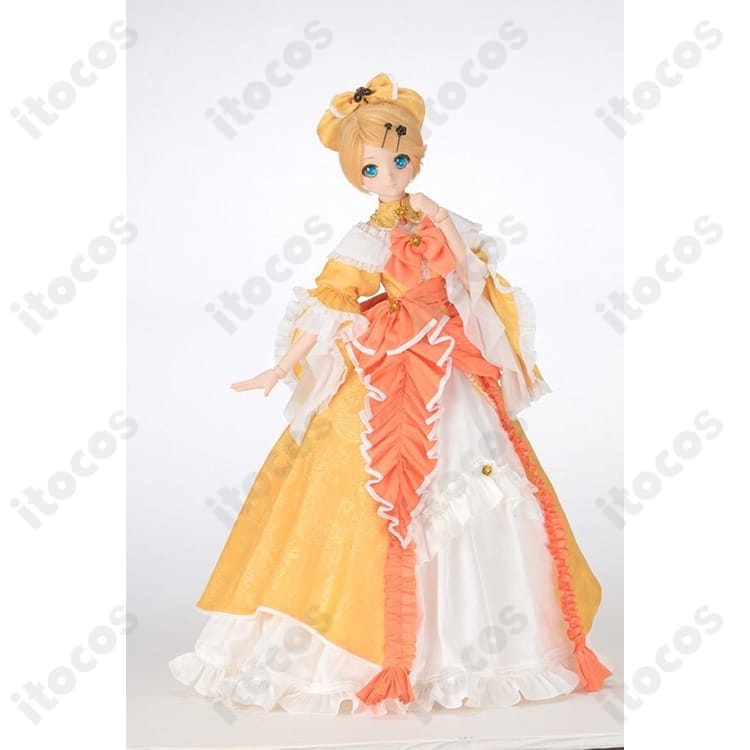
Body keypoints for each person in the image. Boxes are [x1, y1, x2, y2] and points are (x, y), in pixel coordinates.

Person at [169, 73, 611, 715]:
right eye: (373, 168)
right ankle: (365, 647)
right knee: (377, 484)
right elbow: (332, 304)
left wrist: (438, 217)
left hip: (446, 351)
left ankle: (483, 642)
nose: (388, 175)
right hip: (390, 355)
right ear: (358, 175)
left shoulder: (436, 218)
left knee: (480, 472)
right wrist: (280, 366)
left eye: (399, 160)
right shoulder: (365, 239)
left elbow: (469, 271)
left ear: (416, 157)